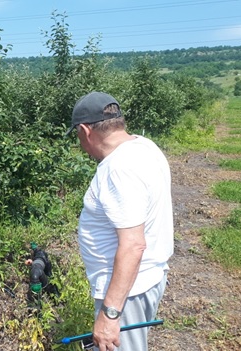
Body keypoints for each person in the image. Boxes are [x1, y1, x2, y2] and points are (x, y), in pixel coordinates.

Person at [65, 92, 174, 351]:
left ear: (85, 130)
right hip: (143, 282)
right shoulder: (144, 146)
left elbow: (133, 245)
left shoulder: (119, 168)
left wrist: (110, 314)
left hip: (129, 293)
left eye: (78, 136)